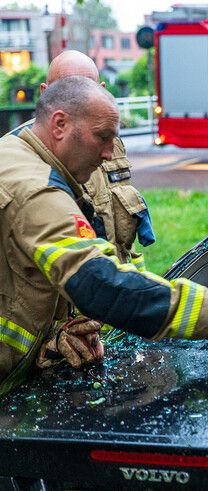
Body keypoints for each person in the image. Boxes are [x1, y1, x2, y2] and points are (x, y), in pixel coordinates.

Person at [0, 77, 208, 396]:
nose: (109, 154)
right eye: (102, 137)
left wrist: (52, 337)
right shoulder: (35, 192)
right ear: (59, 124)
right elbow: (102, 285)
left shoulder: (16, 150)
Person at [7, 51, 156, 372]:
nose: (80, 104)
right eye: (67, 89)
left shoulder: (108, 144)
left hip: (113, 328)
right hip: (44, 353)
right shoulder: (19, 168)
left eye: (87, 90)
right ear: (49, 98)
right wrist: (53, 332)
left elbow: (116, 239)